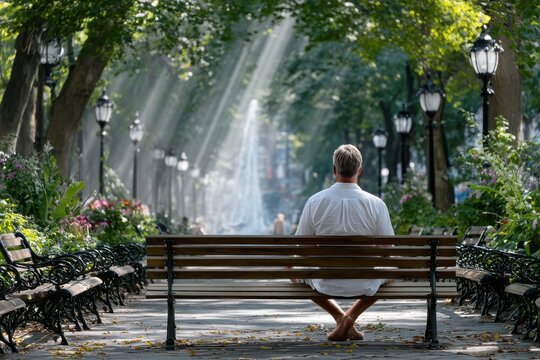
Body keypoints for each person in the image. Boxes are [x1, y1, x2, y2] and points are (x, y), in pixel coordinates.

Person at [295, 144, 394, 341]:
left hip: (324, 282)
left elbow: (301, 248)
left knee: (294, 272)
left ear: (334, 170)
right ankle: (350, 318)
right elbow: (388, 249)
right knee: (390, 273)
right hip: (366, 282)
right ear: (359, 170)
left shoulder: (315, 201)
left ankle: (340, 317)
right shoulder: (376, 204)